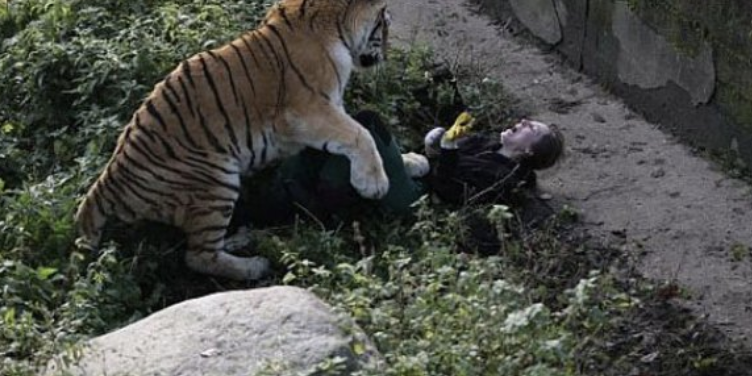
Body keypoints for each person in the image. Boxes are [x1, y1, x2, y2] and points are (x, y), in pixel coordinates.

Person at [233, 110, 565, 230]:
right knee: (348, 139)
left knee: (366, 125)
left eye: (528, 129)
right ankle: (296, 191)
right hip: (415, 175)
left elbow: (451, 191)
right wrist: (436, 142)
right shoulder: (487, 142)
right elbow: (436, 158)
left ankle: (321, 202)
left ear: (528, 151)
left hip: (418, 201)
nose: (520, 123)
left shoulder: (504, 177)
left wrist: (446, 154)